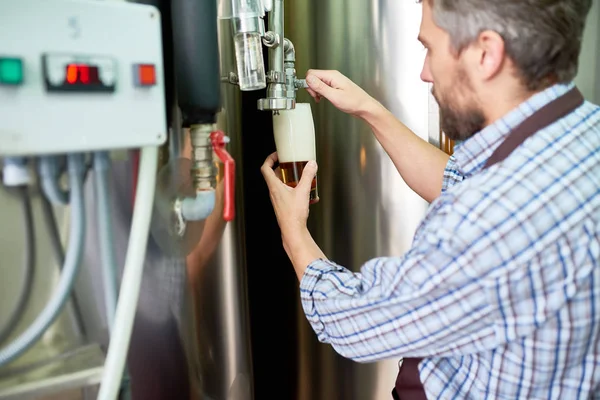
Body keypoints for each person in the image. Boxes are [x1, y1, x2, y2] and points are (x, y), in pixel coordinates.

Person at [261, 0, 600, 399]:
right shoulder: (583, 132)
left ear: (486, 53)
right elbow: (457, 180)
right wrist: (371, 111)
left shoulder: (483, 224)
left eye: (430, 48)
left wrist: (292, 231)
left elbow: (356, 318)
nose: (424, 73)